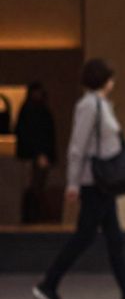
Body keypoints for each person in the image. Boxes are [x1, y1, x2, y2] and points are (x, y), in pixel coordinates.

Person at [32, 61, 125, 299]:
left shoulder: (101, 104)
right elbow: (77, 147)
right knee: (85, 235)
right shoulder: (89, 106)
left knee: (114, 237)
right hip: (95, 181)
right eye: (111, 78)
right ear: (104, 80)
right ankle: (49, 283)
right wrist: (73, 183)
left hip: (102, 183)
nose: (113, 82)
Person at [15, 83, 58, 223]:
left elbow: (47, 135)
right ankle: (31, 216)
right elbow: (29, 134)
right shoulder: (31, 111)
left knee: (36, 186)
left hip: (36, 154)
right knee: (32, 187)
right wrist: (39, 153)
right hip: (33, 155)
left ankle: (34, 215)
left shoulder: (40, 111)